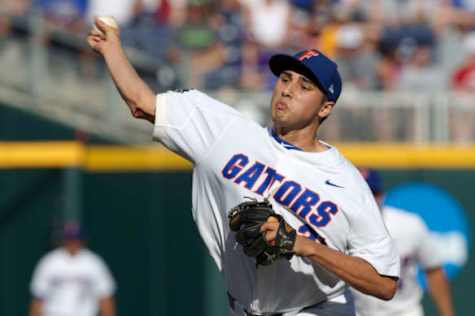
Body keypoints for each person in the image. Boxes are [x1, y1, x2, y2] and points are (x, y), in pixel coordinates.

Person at [87, 18, 399, 315]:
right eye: (285, 79)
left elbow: (384, 283)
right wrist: (111, 47)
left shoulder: (347, 183)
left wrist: (307, 247)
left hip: (317, 310)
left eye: (305, 86)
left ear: (326, 107)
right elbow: (142, 103)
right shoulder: (226, 130)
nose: (288, 89)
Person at [352, 168, 455, 316]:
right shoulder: (337, 228)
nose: (367, 199)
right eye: (361, 194)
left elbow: (434, 270)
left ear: (381, 195)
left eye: (372, 193)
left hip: (403, 311)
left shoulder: (409, 225)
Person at [29, 222, 116, 316]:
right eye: (70, 238)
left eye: (76, 238)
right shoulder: (50, 262)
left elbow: (105, 297)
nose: (73, 242)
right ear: (64, 239)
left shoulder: (93, 263)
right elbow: (38, 298)